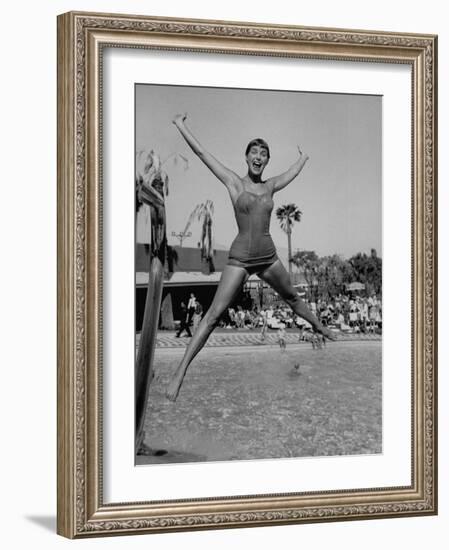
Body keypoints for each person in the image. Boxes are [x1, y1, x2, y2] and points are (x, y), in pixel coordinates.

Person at [166, 113, 335, 401]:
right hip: (241, 258)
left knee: (293, 297)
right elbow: (202, 153)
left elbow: (290, 174)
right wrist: (182, 126)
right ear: (246, 157)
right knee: (213, 315)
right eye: (254, 152)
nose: (259, 157)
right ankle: (180, 372)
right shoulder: (233, 182)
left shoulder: (269, 186)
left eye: (264, 154)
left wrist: (303, 158)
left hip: (268, 256)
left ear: (267, 160)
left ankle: (318, 325)